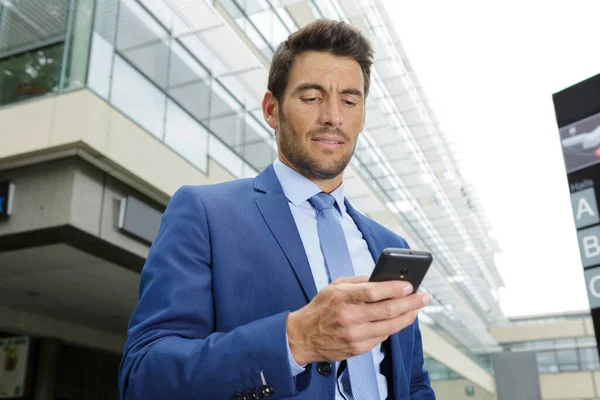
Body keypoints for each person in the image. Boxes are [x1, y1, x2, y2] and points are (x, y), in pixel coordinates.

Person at [118, 18, 435, 400]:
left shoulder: (388, 243)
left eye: (349, 100)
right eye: (311, 97)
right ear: (272, 109)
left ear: (362, 116)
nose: (333, 116)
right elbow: (143, 376)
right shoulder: (204, 213)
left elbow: (413, 382)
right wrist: (296, 339)